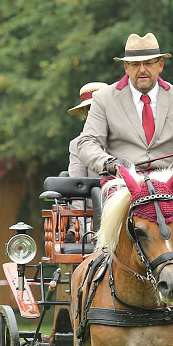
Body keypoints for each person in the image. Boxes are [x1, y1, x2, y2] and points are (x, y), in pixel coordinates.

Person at [76, 32, 173, 221]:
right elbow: (87, 142)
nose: (142, 70)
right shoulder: (103, 99)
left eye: (148, 63)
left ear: (160, 65)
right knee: (123, 234)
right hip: (123, 182)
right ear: (126, 67)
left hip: (171, 181)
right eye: (135, 64)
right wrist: (108, 162)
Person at [65, 81, 109, 242]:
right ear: (85, 112)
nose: (95, 112)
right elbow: (78, 190)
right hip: (93, 219)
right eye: (90, 108)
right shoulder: (77, 145)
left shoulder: (129, 138)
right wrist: (81, 231)